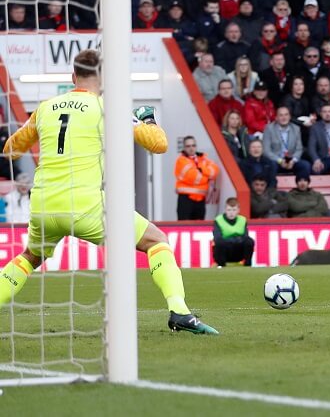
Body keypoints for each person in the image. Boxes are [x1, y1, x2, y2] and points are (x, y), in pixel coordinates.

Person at [0, 50, 217, 334]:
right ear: (102, 78)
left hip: (42, 204)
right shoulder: (106, 108)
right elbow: (159, 144)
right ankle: (180, 311)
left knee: (30, 256)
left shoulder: (45, 107)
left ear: (72, 76)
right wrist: (147, 120)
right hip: (85, 204)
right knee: (155, 240)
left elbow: (10, 150)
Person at [174, 136, 220, 220]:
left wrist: (201, 169)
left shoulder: (203, 158)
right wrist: (207, 177)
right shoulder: (181, 160)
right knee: (184, 228)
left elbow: (215, 171)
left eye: (193, 145)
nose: (191, 148)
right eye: (188, 146)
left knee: (199, 226)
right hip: (186, 199)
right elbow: (194, 177)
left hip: (200, 200)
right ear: (184, 148)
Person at [262, 106, 312, 178]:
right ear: (276, 118)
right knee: (271, 165)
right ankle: (272, 187)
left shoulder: (296, 128)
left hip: (291, 160)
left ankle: (302, 187)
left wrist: (293, 160)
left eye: (286, 115)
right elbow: (266, 151)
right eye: (281, 115)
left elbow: (299, 149)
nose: (284, 118)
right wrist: (280, 161)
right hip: (276, 160)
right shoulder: (269, 128)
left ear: (290, 117)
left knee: (305, 165)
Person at [212, 197, 255, 268]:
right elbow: (217, 237)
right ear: (225, 210)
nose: (231, 212)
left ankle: (248, 265)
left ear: (238, 210)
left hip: (238, 250)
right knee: (219, 242)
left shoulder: (242, 220)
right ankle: (221, 265)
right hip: (225, 250)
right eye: (229, 210)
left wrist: (232, 240)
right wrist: (235, 239)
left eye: (234, 210)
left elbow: (245, 236)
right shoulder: (218, 220)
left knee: (249, 241)